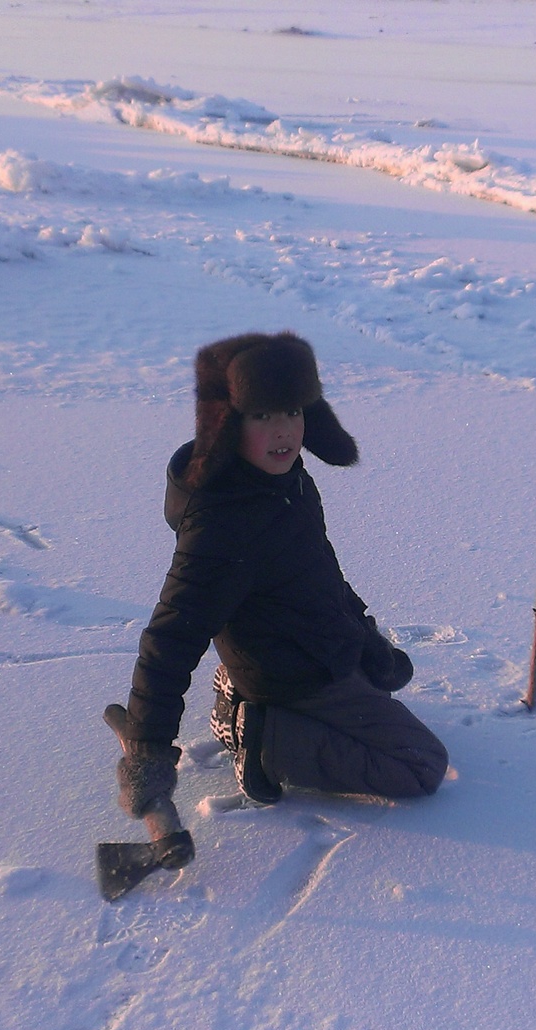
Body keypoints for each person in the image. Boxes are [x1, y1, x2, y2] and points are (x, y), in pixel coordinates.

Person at [102, 331, 448, 864]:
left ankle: (238, 697)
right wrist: (147, 749)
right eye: (262, 416)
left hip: (312, 646)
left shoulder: (284, 479)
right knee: (422, 765)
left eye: (291, 410)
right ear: (226, 423)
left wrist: (366, 641)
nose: (283, 431)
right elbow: (172, 634)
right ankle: (264, 738)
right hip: (292, 674)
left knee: (388, 682)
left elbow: (320, 572)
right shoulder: (222, 524)